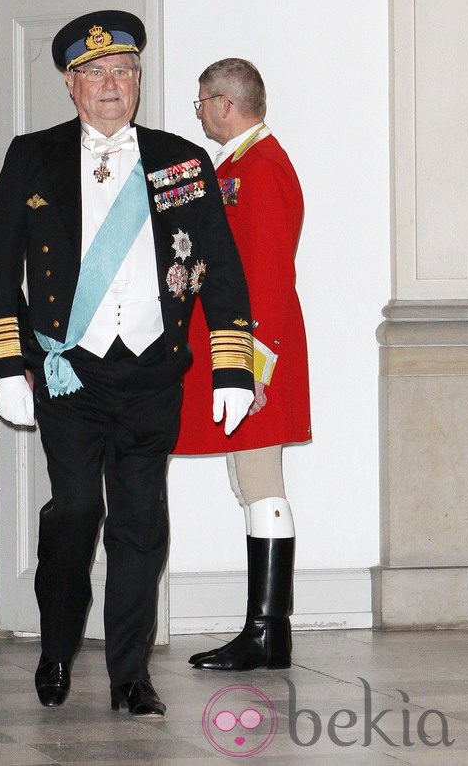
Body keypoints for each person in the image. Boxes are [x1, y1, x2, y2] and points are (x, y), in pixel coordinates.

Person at [0, 11, 255, 716]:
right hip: (72, 373)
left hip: (152, 373)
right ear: (71, 86)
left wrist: (232, 367)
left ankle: (131, 671)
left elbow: (220, 269)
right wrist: (8, 364)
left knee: (140, 521)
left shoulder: (179, 161)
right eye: (96, 73)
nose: (112, 84)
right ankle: (57, 646)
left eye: (124, 71)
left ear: (138, 80)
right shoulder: (30, 156)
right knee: (74, 510)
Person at [173, 58, 310, 671]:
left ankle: (267, 631)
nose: (197, 111)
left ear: (226, 103)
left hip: (257, 360)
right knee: (249, 484)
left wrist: (252, 366)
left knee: (260, 486)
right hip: (246, 357)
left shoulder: (262, 168)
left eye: (201, 101)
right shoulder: (238, 166)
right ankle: (265, 630)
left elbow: (269, 272)